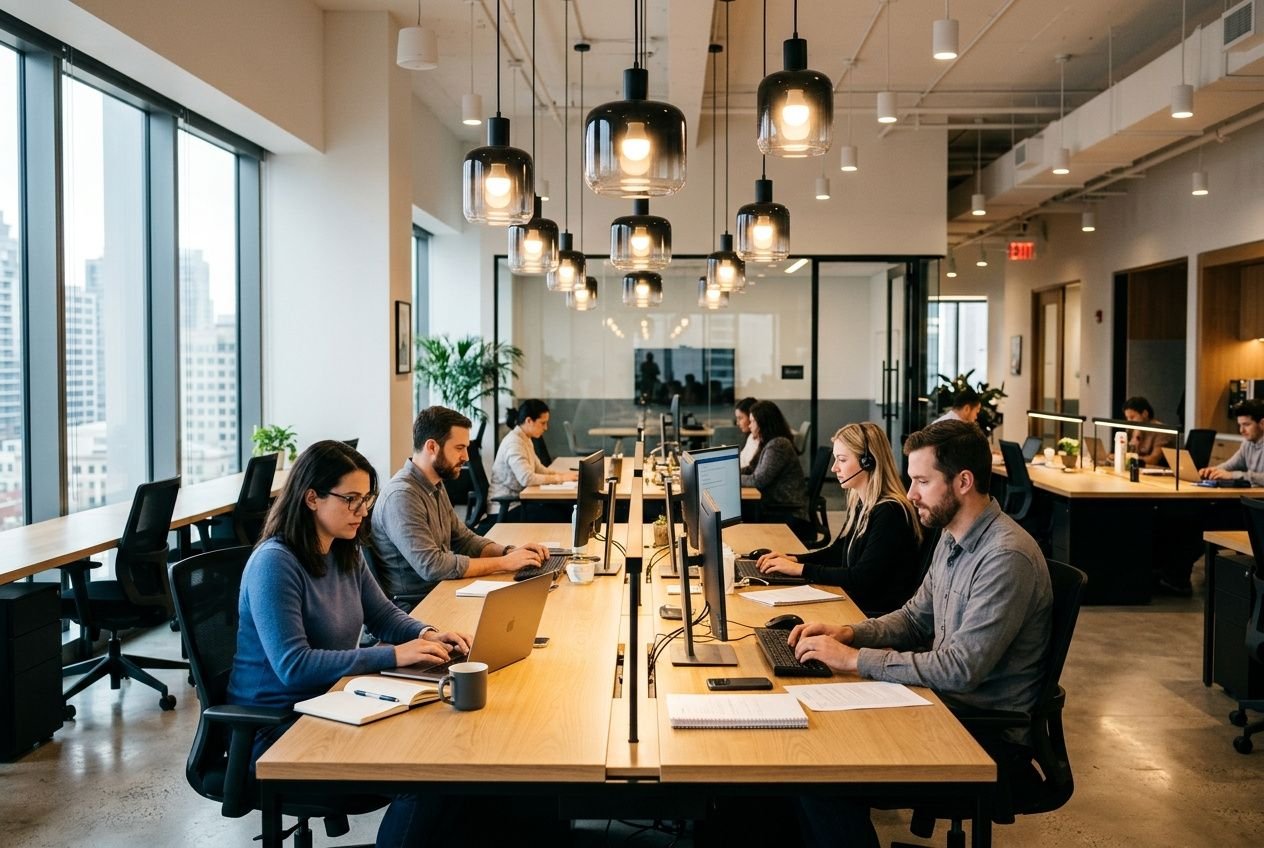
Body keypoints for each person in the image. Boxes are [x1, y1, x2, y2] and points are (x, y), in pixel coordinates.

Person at [789, 420, 1052, 848]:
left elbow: (961, 669)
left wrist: (855, 661)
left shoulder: (1005, 557)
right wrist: (849, 632)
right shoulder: (952, 537)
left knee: (821, 773)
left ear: (963, 481)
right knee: (808, 752)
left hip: (978, 733)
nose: (910, 495)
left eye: (922, 482)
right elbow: (914, 619)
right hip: (941, 706)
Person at [227, 440, 473, 846]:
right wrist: (393, 655)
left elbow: (383, 615)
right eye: (352, 500)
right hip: (279, 730)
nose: (363, 512)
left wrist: (426, 634)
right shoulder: (276, 563)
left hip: (337, 702)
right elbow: (294, 665)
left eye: (367, 499)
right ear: (311, 498)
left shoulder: (344, 549)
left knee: (452, 761)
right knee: (425, 780)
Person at [371, 406, 551, 599]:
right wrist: (504, 562)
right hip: (419, 607)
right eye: (459, 448)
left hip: (443, 590)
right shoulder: (402, 496)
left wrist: (509, 551)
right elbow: (433, 566)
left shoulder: (435, 484)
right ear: (431, 447)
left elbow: (464, 539)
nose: (466, 457)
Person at [755, 422, 924, 616]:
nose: (834, 468)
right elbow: (838, 552)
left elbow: (862, 577)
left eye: (842, 460)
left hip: (870, 615)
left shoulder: (890, 512)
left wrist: (801, 569)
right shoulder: (863, 503)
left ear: (868, 462)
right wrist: (793, 559)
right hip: (855, 602)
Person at [489, 399, 576, 502]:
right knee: (564, 511)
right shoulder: (514, 443)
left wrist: (565, 475)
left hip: (520, 500)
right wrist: (560, 478)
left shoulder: (525, 438)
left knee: (565, 508)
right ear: (529, 421)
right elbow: (527, 478)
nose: (546, 428)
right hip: (508, 506)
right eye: (543, 423)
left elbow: (540, 470)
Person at [741, 400, 807, 523]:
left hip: (789, 514)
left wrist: (731, 479)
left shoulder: (778, 445)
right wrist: (730, 472)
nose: (750, 426)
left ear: (762, 423)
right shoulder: (768, 443)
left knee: (739, 514)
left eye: (752, 421)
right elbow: (751, 468)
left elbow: (758, 481)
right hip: (773, 506)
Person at [1201, 399, 1264, 485]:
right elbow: (1230, 466)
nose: (1241, 430)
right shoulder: (1247, 443)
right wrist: (1212, 471)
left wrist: (1233, 475)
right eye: (1240, 425)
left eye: (1246, 425)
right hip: (1253, 496)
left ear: (1262, 423)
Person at [1122, 395, 1174, 466]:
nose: (1129, 421)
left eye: (1132, 417)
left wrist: (1127, 458)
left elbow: (1153, 460)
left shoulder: (1161, 430)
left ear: (1145, 414)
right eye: (1127, 418)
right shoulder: (1132, 430)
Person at [734, 396, 759, 468]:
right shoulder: (751, 437)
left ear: (752, 416)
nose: (737, 423)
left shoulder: (762, 442)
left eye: (740, 418)